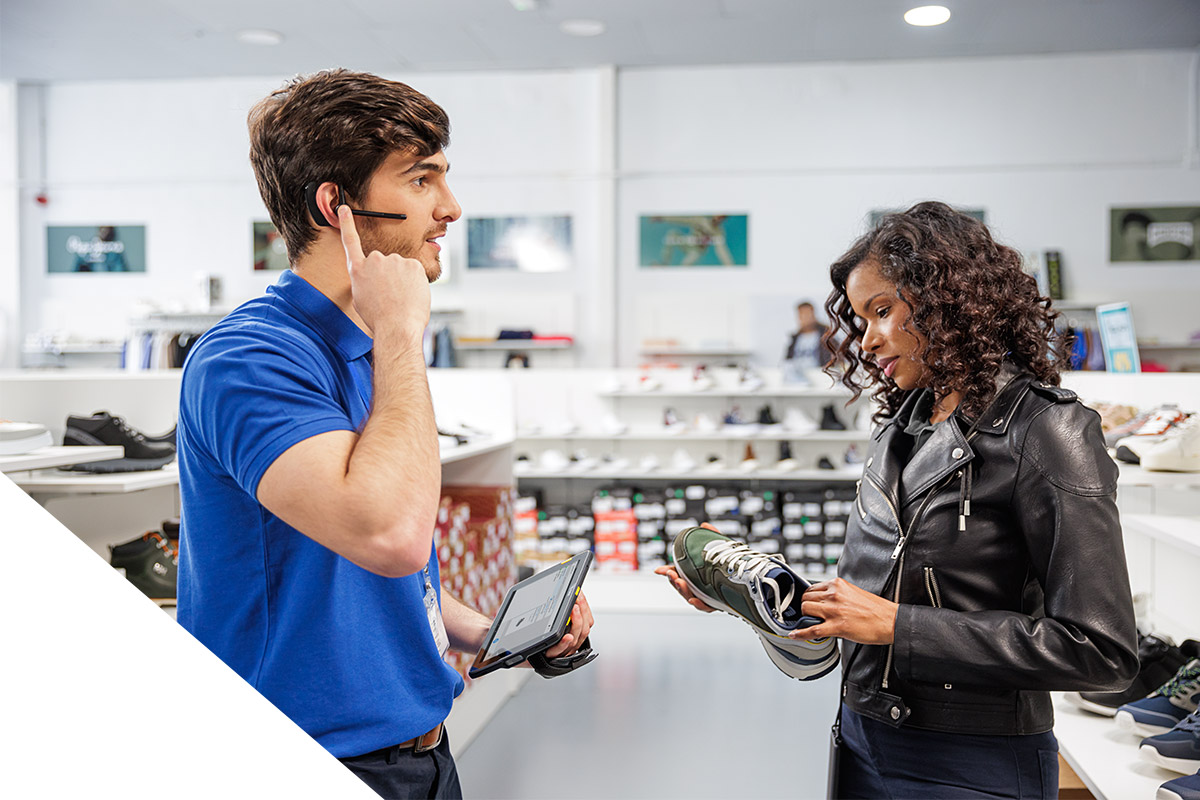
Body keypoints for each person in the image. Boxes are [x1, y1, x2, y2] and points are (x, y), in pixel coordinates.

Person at [176, 69, 593, 800]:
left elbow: (398, 576)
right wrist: (401, 331)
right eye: (422, 180)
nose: (451, 208)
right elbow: (388, 535)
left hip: (421, 751)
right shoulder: (249, 358)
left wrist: (491, 631)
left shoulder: (370, 350)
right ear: (336, 204)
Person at [660, 201, 1138, 799]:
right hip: (861, 737)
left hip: (972, 761)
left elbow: (1102, 649)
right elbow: (878, 600)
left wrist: (900, 628)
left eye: (882, 311)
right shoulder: (900, 428)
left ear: (947, 299)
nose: (869, 339)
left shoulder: (1047, 431)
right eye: (860, 320)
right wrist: (762, 601)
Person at [783, 300, 831, 368]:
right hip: (797, 376)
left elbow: (835, 359)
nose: (806, 318)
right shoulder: (794, 338)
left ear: (813, 315)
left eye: (807, 314)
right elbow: (787, 361)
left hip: (818, 375)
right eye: (802, 315)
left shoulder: (826, 336)